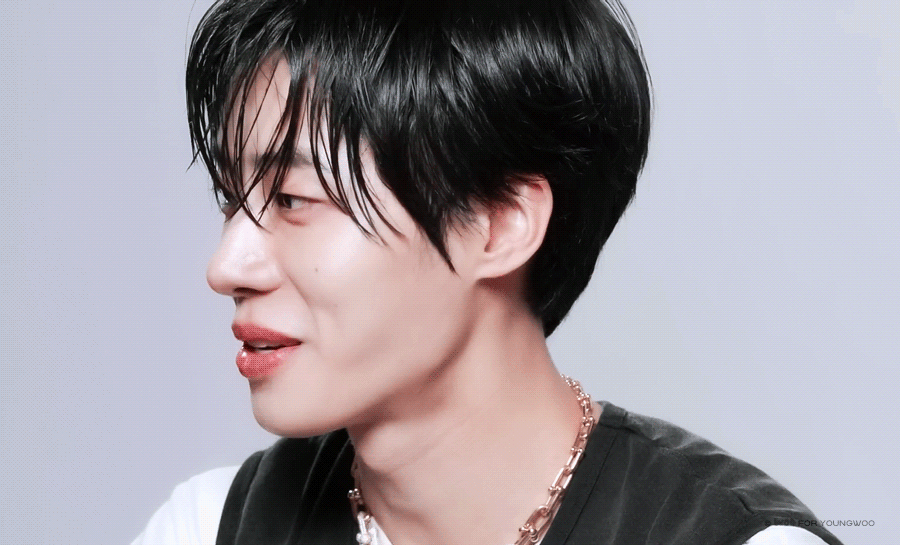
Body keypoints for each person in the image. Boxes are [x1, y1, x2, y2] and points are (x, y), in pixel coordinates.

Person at [133, 0, 844, 543]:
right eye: (232, 201)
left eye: (293, 199)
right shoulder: (209, 526)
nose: (226, 266)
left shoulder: (724, 536)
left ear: (500, 222)